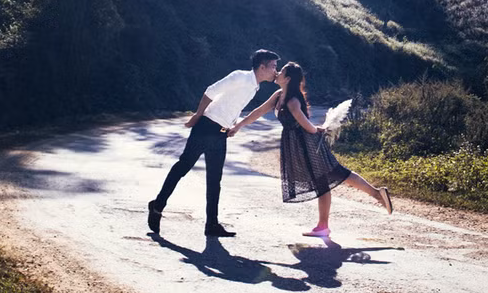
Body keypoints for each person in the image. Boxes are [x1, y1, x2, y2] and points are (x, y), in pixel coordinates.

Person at [230, 61, 392, 238]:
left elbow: (307, 127)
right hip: (298, 144)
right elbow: (258, 111)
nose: (277, 72)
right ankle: (332, 221)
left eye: (281, 71)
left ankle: (370, 198)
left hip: (306, 144)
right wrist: (239, 126)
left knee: (334, 175)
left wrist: (317, 129)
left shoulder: (292, 101)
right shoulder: (279, 95)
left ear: (288, 78)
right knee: (331, 177)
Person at [148, 49, 280, 237]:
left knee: (214, 180)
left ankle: (211, 224)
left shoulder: (255, 87)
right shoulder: (240, 77)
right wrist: (197, 115)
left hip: (220, 134)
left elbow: (231, 106)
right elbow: (210, 92)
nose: (276, 70)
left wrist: (232, 125)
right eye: (274, 66)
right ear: (262, 66)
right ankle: (158, 206)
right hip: (205, 127)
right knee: (183, 167)